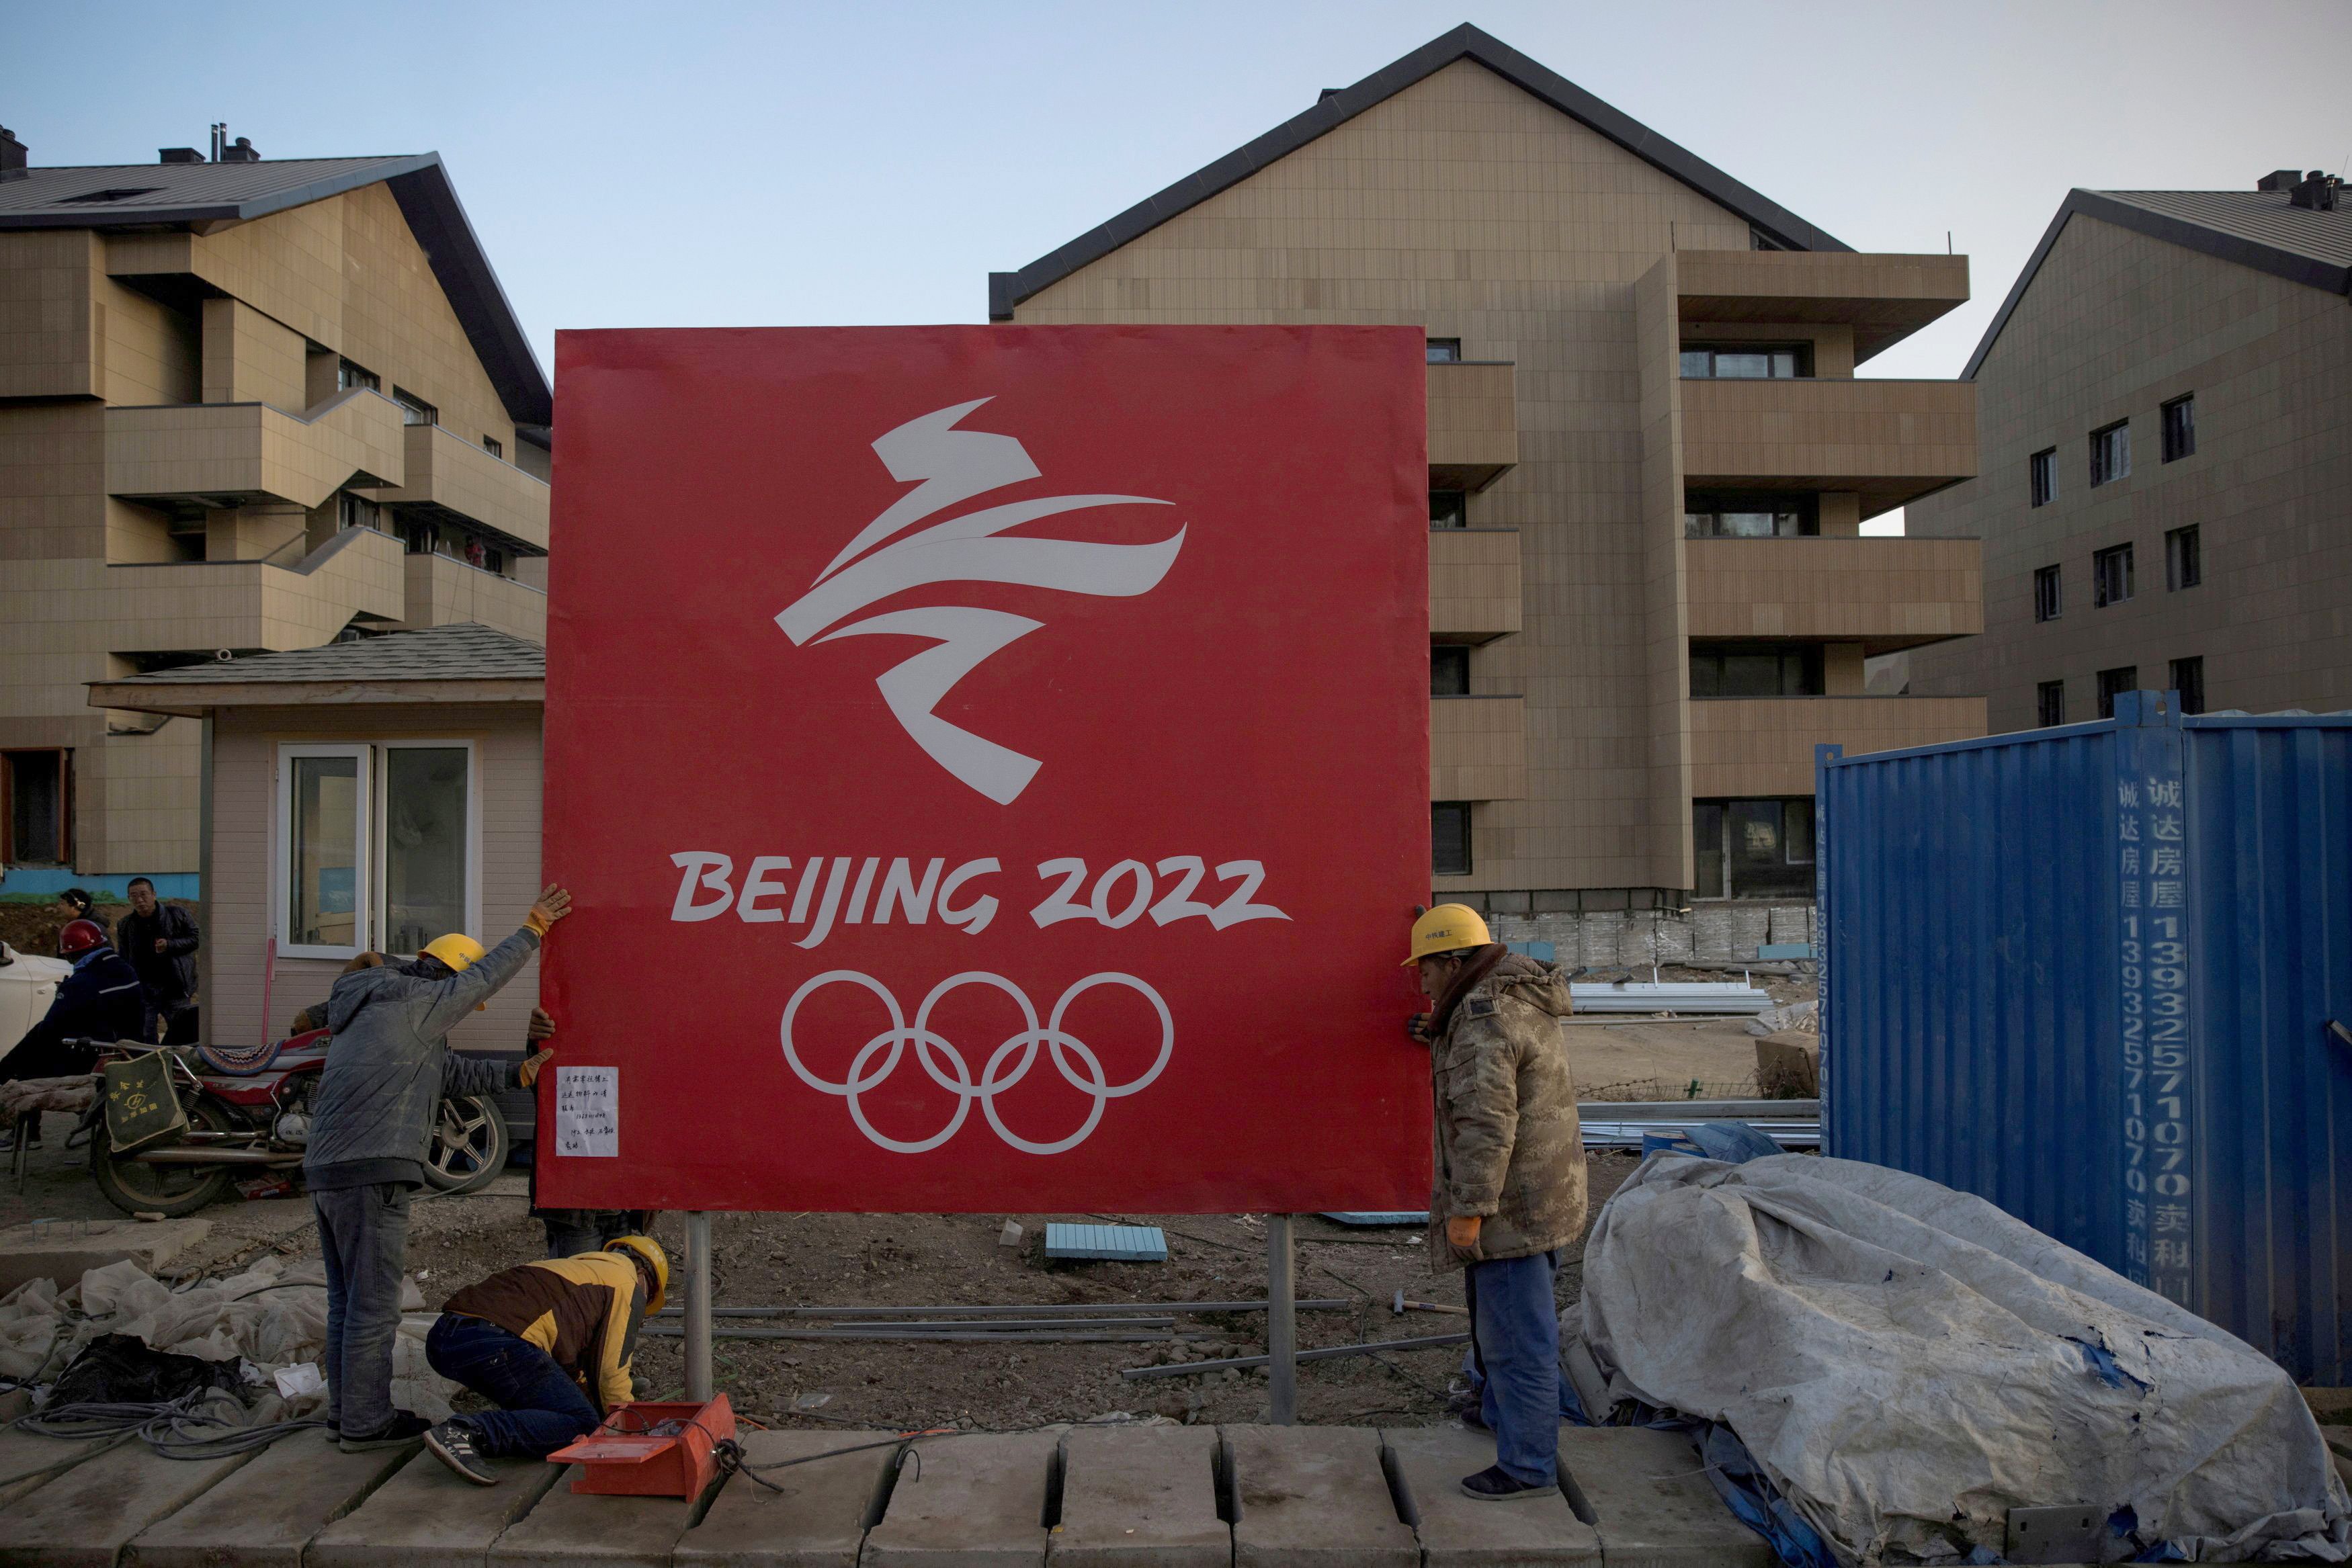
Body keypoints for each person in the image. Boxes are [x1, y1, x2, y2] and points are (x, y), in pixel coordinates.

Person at [305, 883, 572, 1453]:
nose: (463, 1005)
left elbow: (446, 1074)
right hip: (371, 1169)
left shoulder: (378, 1006)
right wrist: (532, 930)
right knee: (374, 1309)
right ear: (443, 974)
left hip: (328, 1171)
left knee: (345, 1303)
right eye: (458, 990)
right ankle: (365, 1424)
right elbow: (480, 980)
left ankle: (344, 1415)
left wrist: (515, 1075)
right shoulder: (416, 1000)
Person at [1405, 903, 1584, 1502]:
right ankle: (1498, 1416)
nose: (1420, 981)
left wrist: (1470, 1210)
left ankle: (1528, 1465)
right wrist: (1433, 1029)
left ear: (1452, 961)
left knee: (1515, 1338)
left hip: (1510, 1207)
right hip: (1545, 1190)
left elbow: (1486, 1121)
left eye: (1425, 970)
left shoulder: (1483, 1019)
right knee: (1500, 1324)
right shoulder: (1512, 993)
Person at [417, 1235, 667, 1485]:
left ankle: (471, 1435)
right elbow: (611, 1372)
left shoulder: (577, 1271)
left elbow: (561, 1367)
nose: (642, 1309)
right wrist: (627, 1427)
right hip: (496, 1343)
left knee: (555, 1411)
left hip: (445, 1340)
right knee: (582, 1423)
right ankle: (465, 1432)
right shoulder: (626, 1284)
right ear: (644, 1275)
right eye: (648, 1299)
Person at [521, 1005, 655, 1258]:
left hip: (624, 1204)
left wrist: (650, 1195)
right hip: (575, 1210)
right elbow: (543, 1082)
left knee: (619, 1292)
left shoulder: (637, 1051)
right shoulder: (568, 1039)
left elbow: (650, 1122)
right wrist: (537, 1041)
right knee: (580, 1292)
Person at [0, 918, 144, 1152]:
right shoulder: (125, 970)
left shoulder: (82, 982)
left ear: (71, 955)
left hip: (99, 1060)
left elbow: (50, 1028)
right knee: (39, 1040)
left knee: (33, 1056)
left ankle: (25, 1131)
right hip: (126, 1052)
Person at [114, 877, 200, 1045]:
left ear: (154, 894)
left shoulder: (177, 915)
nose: (139, 900)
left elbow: (197, 938)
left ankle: (180, 1068)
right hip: (145, 990)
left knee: (182, 1035)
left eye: (144, 894)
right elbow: (124, 957)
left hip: (175, 988)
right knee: (146, 1037)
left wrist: (170, 945)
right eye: (134, 896)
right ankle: (152, 1068)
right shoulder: (125, 924)